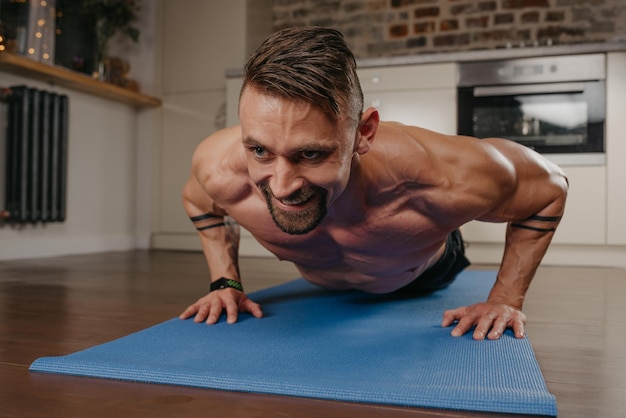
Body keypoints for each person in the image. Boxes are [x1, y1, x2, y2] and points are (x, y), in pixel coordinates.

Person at [179, 26, 568, 340]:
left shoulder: (443, 175)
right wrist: (225, 281)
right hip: (326, 285)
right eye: (260, 151)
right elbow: (199, 203)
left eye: (310, 154)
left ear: (364, 132)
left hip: (424, 272)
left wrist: (505, 299)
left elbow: (549, 190)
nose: (281, 187)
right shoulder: (219, 168)